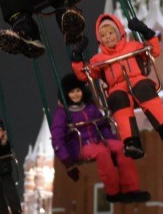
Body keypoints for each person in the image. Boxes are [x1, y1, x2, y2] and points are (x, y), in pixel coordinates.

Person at [71, 15, 163, 159]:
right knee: (117, 100)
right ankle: (132, 142)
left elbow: (153, 51)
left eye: (111, 33)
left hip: (137, 80)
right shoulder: (99, 59)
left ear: (118, 32)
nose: (108, 37)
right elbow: (84, 75)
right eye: (103, 35)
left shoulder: (133, 46)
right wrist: (77, 56)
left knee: (145, 88)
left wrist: (146, 31)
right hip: (117, 87)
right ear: (100, 39)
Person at [51, 73, 150, 204]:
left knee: (121, 147)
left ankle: (131, 188)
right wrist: (67, 162)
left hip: (98, 140)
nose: (76, 95)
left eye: (78, 91)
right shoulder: (62, 113)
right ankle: (113, 192)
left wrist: (112, 142)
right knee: (101, 153)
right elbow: (57, 138)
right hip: (79, 146)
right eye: (71, 92)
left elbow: (102, 125)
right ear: (65, 94)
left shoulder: (90, 106)